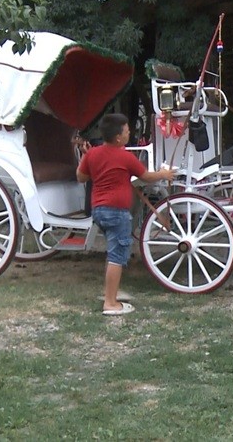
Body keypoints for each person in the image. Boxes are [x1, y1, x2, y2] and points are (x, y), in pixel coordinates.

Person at [76, 113, 174, 316]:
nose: (130, 132)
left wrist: (86, 155)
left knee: (113, 251)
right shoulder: (125, 157)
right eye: (128, 130)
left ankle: (110, 292)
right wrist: (164, 174)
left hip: (99, 211)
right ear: (119, 137)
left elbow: (81, 177)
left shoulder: (93, 154)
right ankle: (110, 303)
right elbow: (146, 177)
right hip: (117, 212)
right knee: (117, 255)